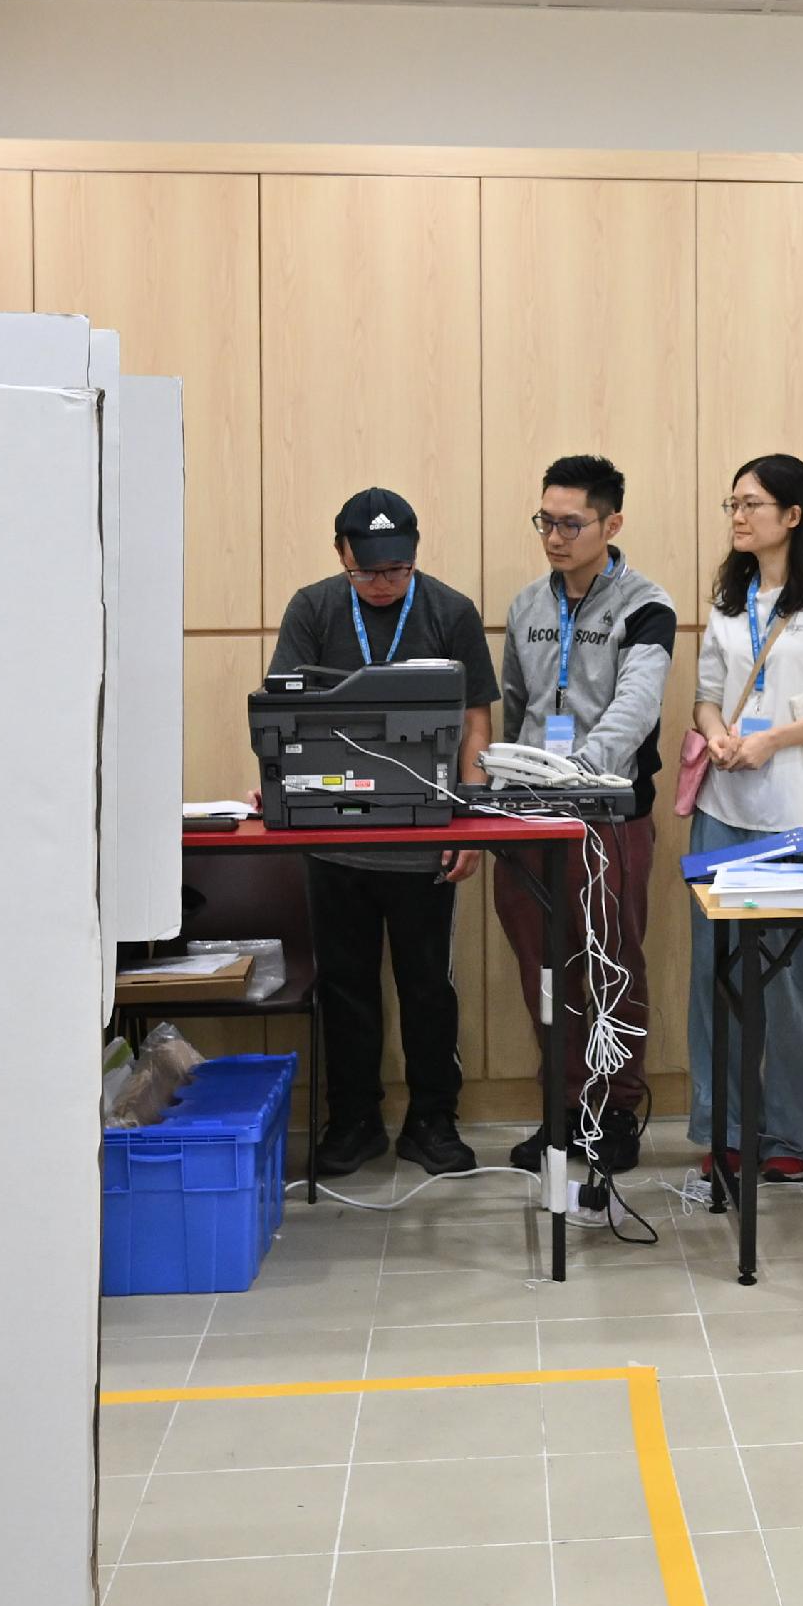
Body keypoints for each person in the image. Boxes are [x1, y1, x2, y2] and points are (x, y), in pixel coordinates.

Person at [272, 487, 494, 1183]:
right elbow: (280, 710)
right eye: (366, 570)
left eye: (396, 569)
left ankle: (433, 1119)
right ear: (340, 553)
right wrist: (278, 782)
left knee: (428, 985)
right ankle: (353, 1120)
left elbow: (477, 720)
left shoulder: (450, 611)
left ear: (415, 556)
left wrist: (470, 819)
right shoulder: (313, 608)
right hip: (332, 839)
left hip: (425, 840)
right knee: (345, 985)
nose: (381, 583)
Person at [685, 453, 803, 1197]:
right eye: (731, 504)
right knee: (716, 982)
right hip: (721, 814)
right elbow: (707, 693)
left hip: (799, 818)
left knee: (795, 986)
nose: (737, 516)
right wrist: (718, 734)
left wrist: (773, 741)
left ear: (794, 515)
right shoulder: (730, 600)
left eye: (752, 504)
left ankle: (797, 1133)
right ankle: (725, 1133)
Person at [494, 454, 677, 1198]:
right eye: (546, 521)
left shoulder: (646, 607)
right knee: (544, 969)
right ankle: (563, 1108)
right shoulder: (526, 606)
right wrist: (512, 782)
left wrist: (573, 776)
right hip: (527, 820)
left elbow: (635, 709)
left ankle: (616, 1109)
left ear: (612, 523)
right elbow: (516, 708)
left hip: (606, 817)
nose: (554, 537)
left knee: (612, 966)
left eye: (571, 524)